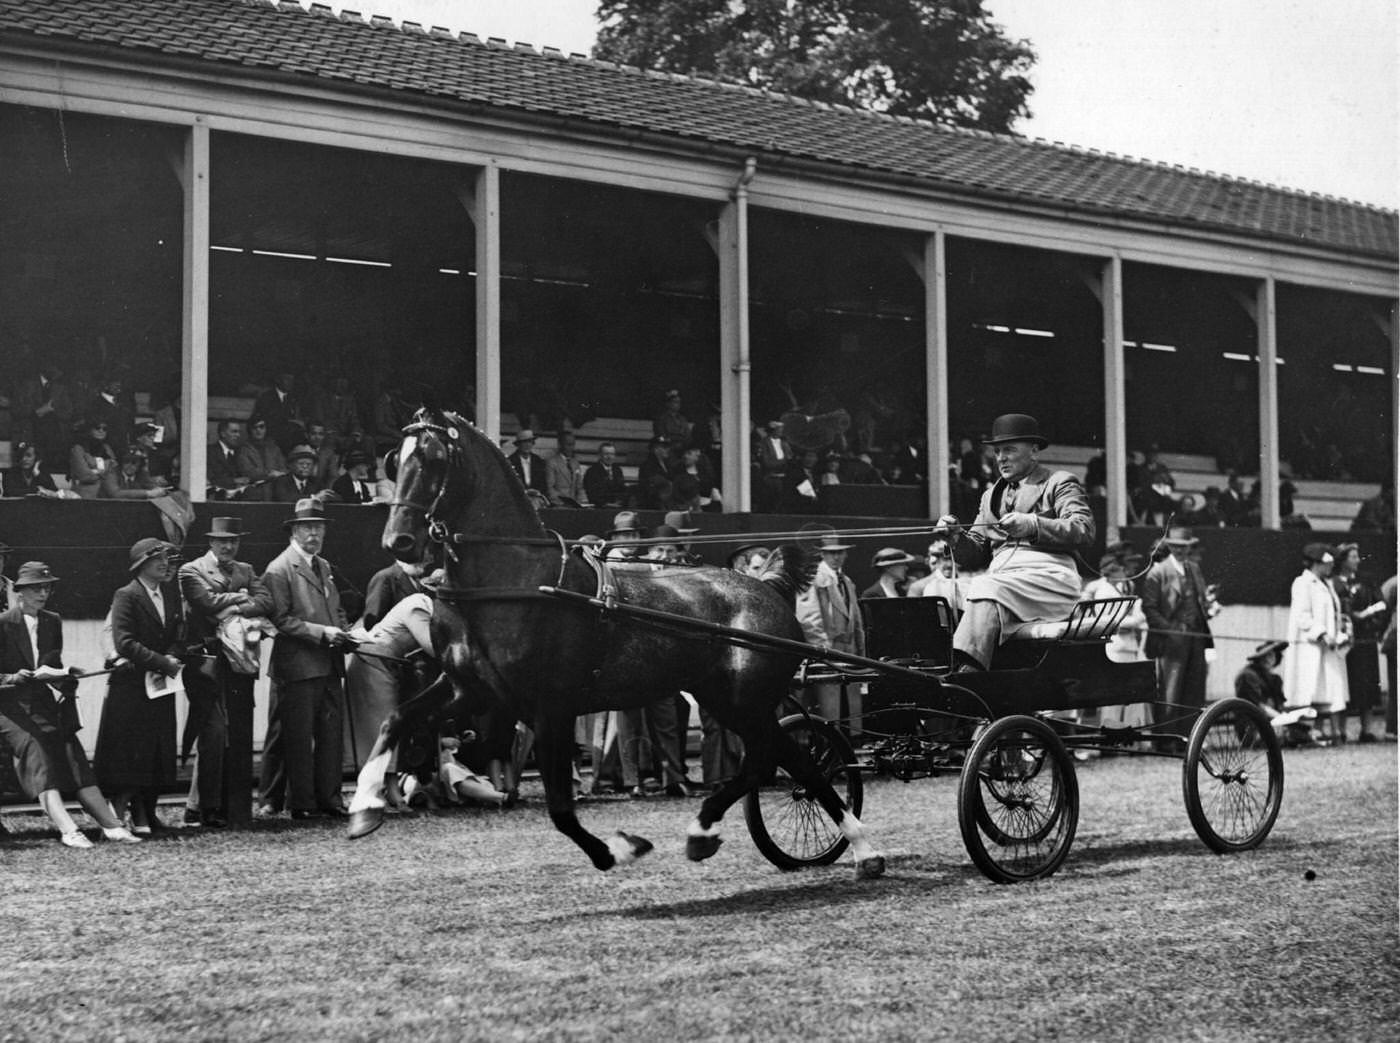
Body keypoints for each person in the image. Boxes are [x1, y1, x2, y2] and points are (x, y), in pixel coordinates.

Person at [933, 413, 1094, 673]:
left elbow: (1083, 530)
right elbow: (974, 555)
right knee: (942, 593)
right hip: (1005, 581)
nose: (1001, 458)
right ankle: (940, 667)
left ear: (1033, 451)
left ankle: (968, 672)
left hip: (1049, 578)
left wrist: (1033, 525)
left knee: (986, 585)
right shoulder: (989, 496)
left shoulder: (1059, 482)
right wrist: (956, 538)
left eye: (1009, 450)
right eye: (997, 451)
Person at [0, 561, 141, 848]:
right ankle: (68, 829)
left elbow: (53, 667)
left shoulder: (52, 621)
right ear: (19, 592)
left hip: (42, 705)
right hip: (9, 710)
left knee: (72, 752)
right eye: (35, 588)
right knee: (35, 749)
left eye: (47, 587)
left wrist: (66, 677)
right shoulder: (3, 623)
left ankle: (112, 826)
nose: (43, 593)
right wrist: (13, 677)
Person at [260, 498, 355, 819]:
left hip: (329, 662)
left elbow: (337, 608)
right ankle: (301, 803)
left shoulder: (324, 566)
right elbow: (281, 619)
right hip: (297, 665)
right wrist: (322, 633)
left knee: (330, 736)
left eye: (319, 527)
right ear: (294, 531)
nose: (315, 534)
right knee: (297, 737)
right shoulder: (279, 568)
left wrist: (344, 630)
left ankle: (330, 799)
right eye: (307, 528)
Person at [178, 518, 272, 829]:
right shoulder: (192, 570)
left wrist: (234, 607)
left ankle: (210, 807)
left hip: (240, 661)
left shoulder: (246, 569)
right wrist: (241, 597)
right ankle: (208, 807)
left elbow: (266, 601)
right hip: (206, 661)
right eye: (222, 541)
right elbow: (204, 602)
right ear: (211, 542)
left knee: (234, 733)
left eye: (233, 541)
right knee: (212, 732)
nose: (228, 547)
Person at [94, 538, 185, 834]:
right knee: (130, 753)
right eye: (155, 559)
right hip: (131, 688)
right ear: (140, 566)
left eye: (165, 559)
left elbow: (176, 630)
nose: (163, 563)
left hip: (159, 687)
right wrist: (162, 662)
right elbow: (124, 642)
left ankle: (147, 812)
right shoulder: (127, 595)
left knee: (156, 751)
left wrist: (172, 654)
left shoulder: (169, 593)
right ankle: (122, 816)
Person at [1140, 526, 1216, 745]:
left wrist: (1207, 607)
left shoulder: (1194, 569)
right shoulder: (1158, 572)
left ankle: (1189, 740)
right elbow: (1150, 609)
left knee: (1194, 691)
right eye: (1176, 546)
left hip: (1196, 638)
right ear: (1170, 546)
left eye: (1185, 547)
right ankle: (1165, 741)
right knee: (1170, 693)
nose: (1181, 551)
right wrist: (1170, 630)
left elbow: (1200, 601)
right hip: (1170, 642)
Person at [795, 529, 865, 732]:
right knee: (829, 711)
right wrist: (823, 649)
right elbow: (808, 618)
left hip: (849, 652)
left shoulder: (846, 580)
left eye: (840, 552)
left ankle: (852, 743)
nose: (836, 557)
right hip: (829, 652)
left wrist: (860, 650)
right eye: (831, 552)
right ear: (822, 554)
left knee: (850, 712)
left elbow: (856, 619)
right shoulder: (814, 578)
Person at [1284, 543, 1350, 745]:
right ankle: (1303, 733)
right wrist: (1321, 634)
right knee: (1308, 689)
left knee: (1329, 689)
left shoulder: (1327, 584)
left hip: (1329, 647)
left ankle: (1327, 732)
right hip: (1309, 647)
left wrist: (1339, 633)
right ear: (1315, 563)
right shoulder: (1302, 583)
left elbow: (1334, 614)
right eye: (1326, 563)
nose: (1330, 568)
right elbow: (1302, 616)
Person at [1333, 543, 1386, 743]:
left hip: (1365, 642)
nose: (1357, 560)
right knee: (1346, 686)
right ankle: (1342, 730)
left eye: (1357, 556)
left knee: (1368, 686)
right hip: (1346, 644)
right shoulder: (1334, 583)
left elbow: (1381, 605)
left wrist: (1372, 625)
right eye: (1353, 556)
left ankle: (1367, 729)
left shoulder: (1366, 582)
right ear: (1343, 560)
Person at [251, 371, 306, 454]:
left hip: (290, 441)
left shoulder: (293, 399)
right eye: (287, 379)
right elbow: (263, 420)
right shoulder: (266, 397)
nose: (290, 382)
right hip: (271, 439)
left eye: (292, 379)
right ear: (278, 380)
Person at [67, 416, 116, 499]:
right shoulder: (78, 449)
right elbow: (85, 476)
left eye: (105, 429)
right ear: (89, 430)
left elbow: (114, 471)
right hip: (84, 495)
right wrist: (105, 471)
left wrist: (95, 471)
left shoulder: (107, 448)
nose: (101, 431)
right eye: (97, 428)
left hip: (106, 494)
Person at [235, 416, 288, 490]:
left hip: (276, 488)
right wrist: (270, 474)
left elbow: (283, 468)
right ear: (250, 430)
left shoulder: (274, 448)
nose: (258, 430)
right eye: (254, 428)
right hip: (254, 489)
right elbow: (248, 472)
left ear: (266, 429)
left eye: (261, 427)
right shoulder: (243, 450)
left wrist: (279, 474)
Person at [98, 449, 167, 500]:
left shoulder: (142, 474)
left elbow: (152, 487)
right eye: (126, 462)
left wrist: (158, 491)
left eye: (134, 463)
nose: (129, 466)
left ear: (139, 465)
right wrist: (148, 493)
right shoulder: (111, 473)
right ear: (121, 462)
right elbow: (115, 494)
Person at [207, 419, 250, 497]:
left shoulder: (240, 453)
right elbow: (211, 479)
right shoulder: (210, 452)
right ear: (223, 433)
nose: (238, 435)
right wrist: (234, 481)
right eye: (234, 431)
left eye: (239, 432)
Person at [544, 430, 587, 507]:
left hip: (575, 506)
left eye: (573, 444)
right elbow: (550, 488)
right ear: (560, 445)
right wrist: (561, 503)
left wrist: (583, 501)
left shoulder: (575, 463)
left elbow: (580, 487)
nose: (571, 448)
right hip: (559, 505)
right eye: (568, 444)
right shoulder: (552, 462)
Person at [505, 429, 550, 500]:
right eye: (524, 442)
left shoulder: (538, 461)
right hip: (518, 499)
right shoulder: (510, 461)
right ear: (518, 444)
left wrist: (537, 492)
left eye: (530, 442)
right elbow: (509, 485)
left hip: (536, 498)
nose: (527, 445)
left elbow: (543, 484)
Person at [583, 442, 629, 509]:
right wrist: (606, 504)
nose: (609, 457)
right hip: (599, 508)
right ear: (600, 455)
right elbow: (591, 493)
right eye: (606, 454)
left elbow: (621, 489)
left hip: (616, 507)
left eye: (612, 454)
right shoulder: (592, 471)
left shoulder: (617, 470)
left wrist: (619, 502)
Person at [637, 435, 676, 510]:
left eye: (668, 447)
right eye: (664, 447)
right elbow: (649, 488)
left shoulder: (668, 465)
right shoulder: (648, 465)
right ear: (655, 449)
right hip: (653, 506)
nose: (668, 450)